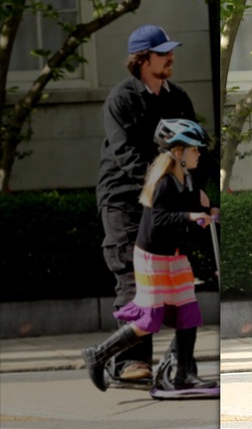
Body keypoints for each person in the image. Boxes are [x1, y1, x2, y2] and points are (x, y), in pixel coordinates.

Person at [96, 24, 201, 381]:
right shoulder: (122, 99)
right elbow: (125, 153)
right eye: (162, 52)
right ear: (142, 59)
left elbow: (192, 150)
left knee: (175, 277)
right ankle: (128, 361)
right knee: (131, 273)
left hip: (166, 198)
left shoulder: (178, 98)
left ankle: (180, 362)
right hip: (124, 198)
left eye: (171, 51)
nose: (171, 57)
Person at [83, 118, 219, 392]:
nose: (199, 153)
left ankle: (182, 376)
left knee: (188, 314)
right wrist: (190, 215)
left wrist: (209, 210)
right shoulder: (164, 182)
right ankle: (97, 355)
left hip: (174, 256)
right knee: (148, 321)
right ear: (179, 153)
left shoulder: (187, 180)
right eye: (195, 149)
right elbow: (158, 219)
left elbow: (190, 209)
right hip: (152, 259)